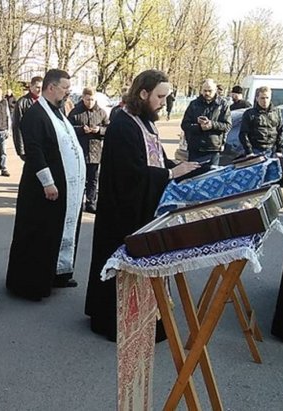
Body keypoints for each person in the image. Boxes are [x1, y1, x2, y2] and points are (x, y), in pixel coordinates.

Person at [84, 70, 200, 341]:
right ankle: (118, 321)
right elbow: (130, 175)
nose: (163, 102)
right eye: (160, 96)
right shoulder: (123, 124)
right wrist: (171, 174)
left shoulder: (146, 122)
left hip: (145, 209)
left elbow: (155, 161)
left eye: (166, 97)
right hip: (123, 214)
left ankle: (148, 315)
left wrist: (182, 168)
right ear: (143, 93)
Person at [5, 69, 85, 301]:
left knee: (55, 232)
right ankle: (30, 284)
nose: (68, 92)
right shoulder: (35, 114)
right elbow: (35, 151)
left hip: (65, 190)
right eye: (65, 88)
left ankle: (57, 274)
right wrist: (48, 182)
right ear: (51, 87)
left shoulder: (58, 113)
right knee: (38, 235)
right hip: (41, 190)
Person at [68, 87, 109, 214]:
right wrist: (81, 130)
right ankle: (77, 202)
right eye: (87, 99)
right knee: (80, 178)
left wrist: (100, 130)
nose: (90, 102)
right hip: (80, 150)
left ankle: (91, 202)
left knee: (93, 179)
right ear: (83, 98)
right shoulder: (75, 112)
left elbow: (109, 129)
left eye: (92, 99)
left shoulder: (101, 112)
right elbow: (68, 129)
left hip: (95, 151)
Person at [181, 78, 232, 167]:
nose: (207, 93)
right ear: (201, 90)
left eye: (210, 91)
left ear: (215, 90)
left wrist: (212, 125)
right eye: (205, 91)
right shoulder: (194, 104)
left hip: (213, 149)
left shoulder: (222, 104)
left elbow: (227, 125)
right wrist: (199, 127)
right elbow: (185, 125)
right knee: (194, 177)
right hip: (195, 149)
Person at [239, 86, 283, 158]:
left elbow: (280, 131)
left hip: (272, 151)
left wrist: (279, 150)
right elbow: (243, 134)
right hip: (256, 150)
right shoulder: (250, 114)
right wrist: (249, 152)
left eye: (267, 98)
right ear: (257, 98)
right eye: (262, 98)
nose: (265, 101)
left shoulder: (276, 112)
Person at [12, 76, 43, 160]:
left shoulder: (46, 101)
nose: (39, 90)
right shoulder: (21, 103)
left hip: (43, 144)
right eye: (37, 87)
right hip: (29, 144)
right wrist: (21, 149)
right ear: (31, 87)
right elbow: (17, 126)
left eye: (41, 87)